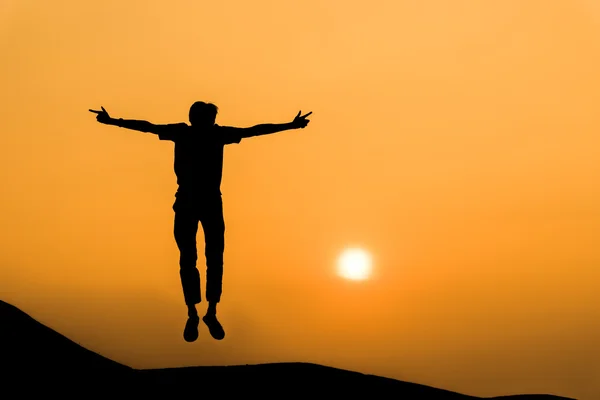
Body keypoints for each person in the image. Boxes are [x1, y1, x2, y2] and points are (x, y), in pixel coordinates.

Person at [90, 102, 312, 342]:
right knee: (195, 258)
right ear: (204, 119)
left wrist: (290, 125)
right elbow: (147, 127)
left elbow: (254, 130)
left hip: (204, 203)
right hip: (191, 202)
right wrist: (113, 121)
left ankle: (207, 312)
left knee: (207, 258)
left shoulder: (199, 133)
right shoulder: (195, 132)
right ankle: (196, 312)